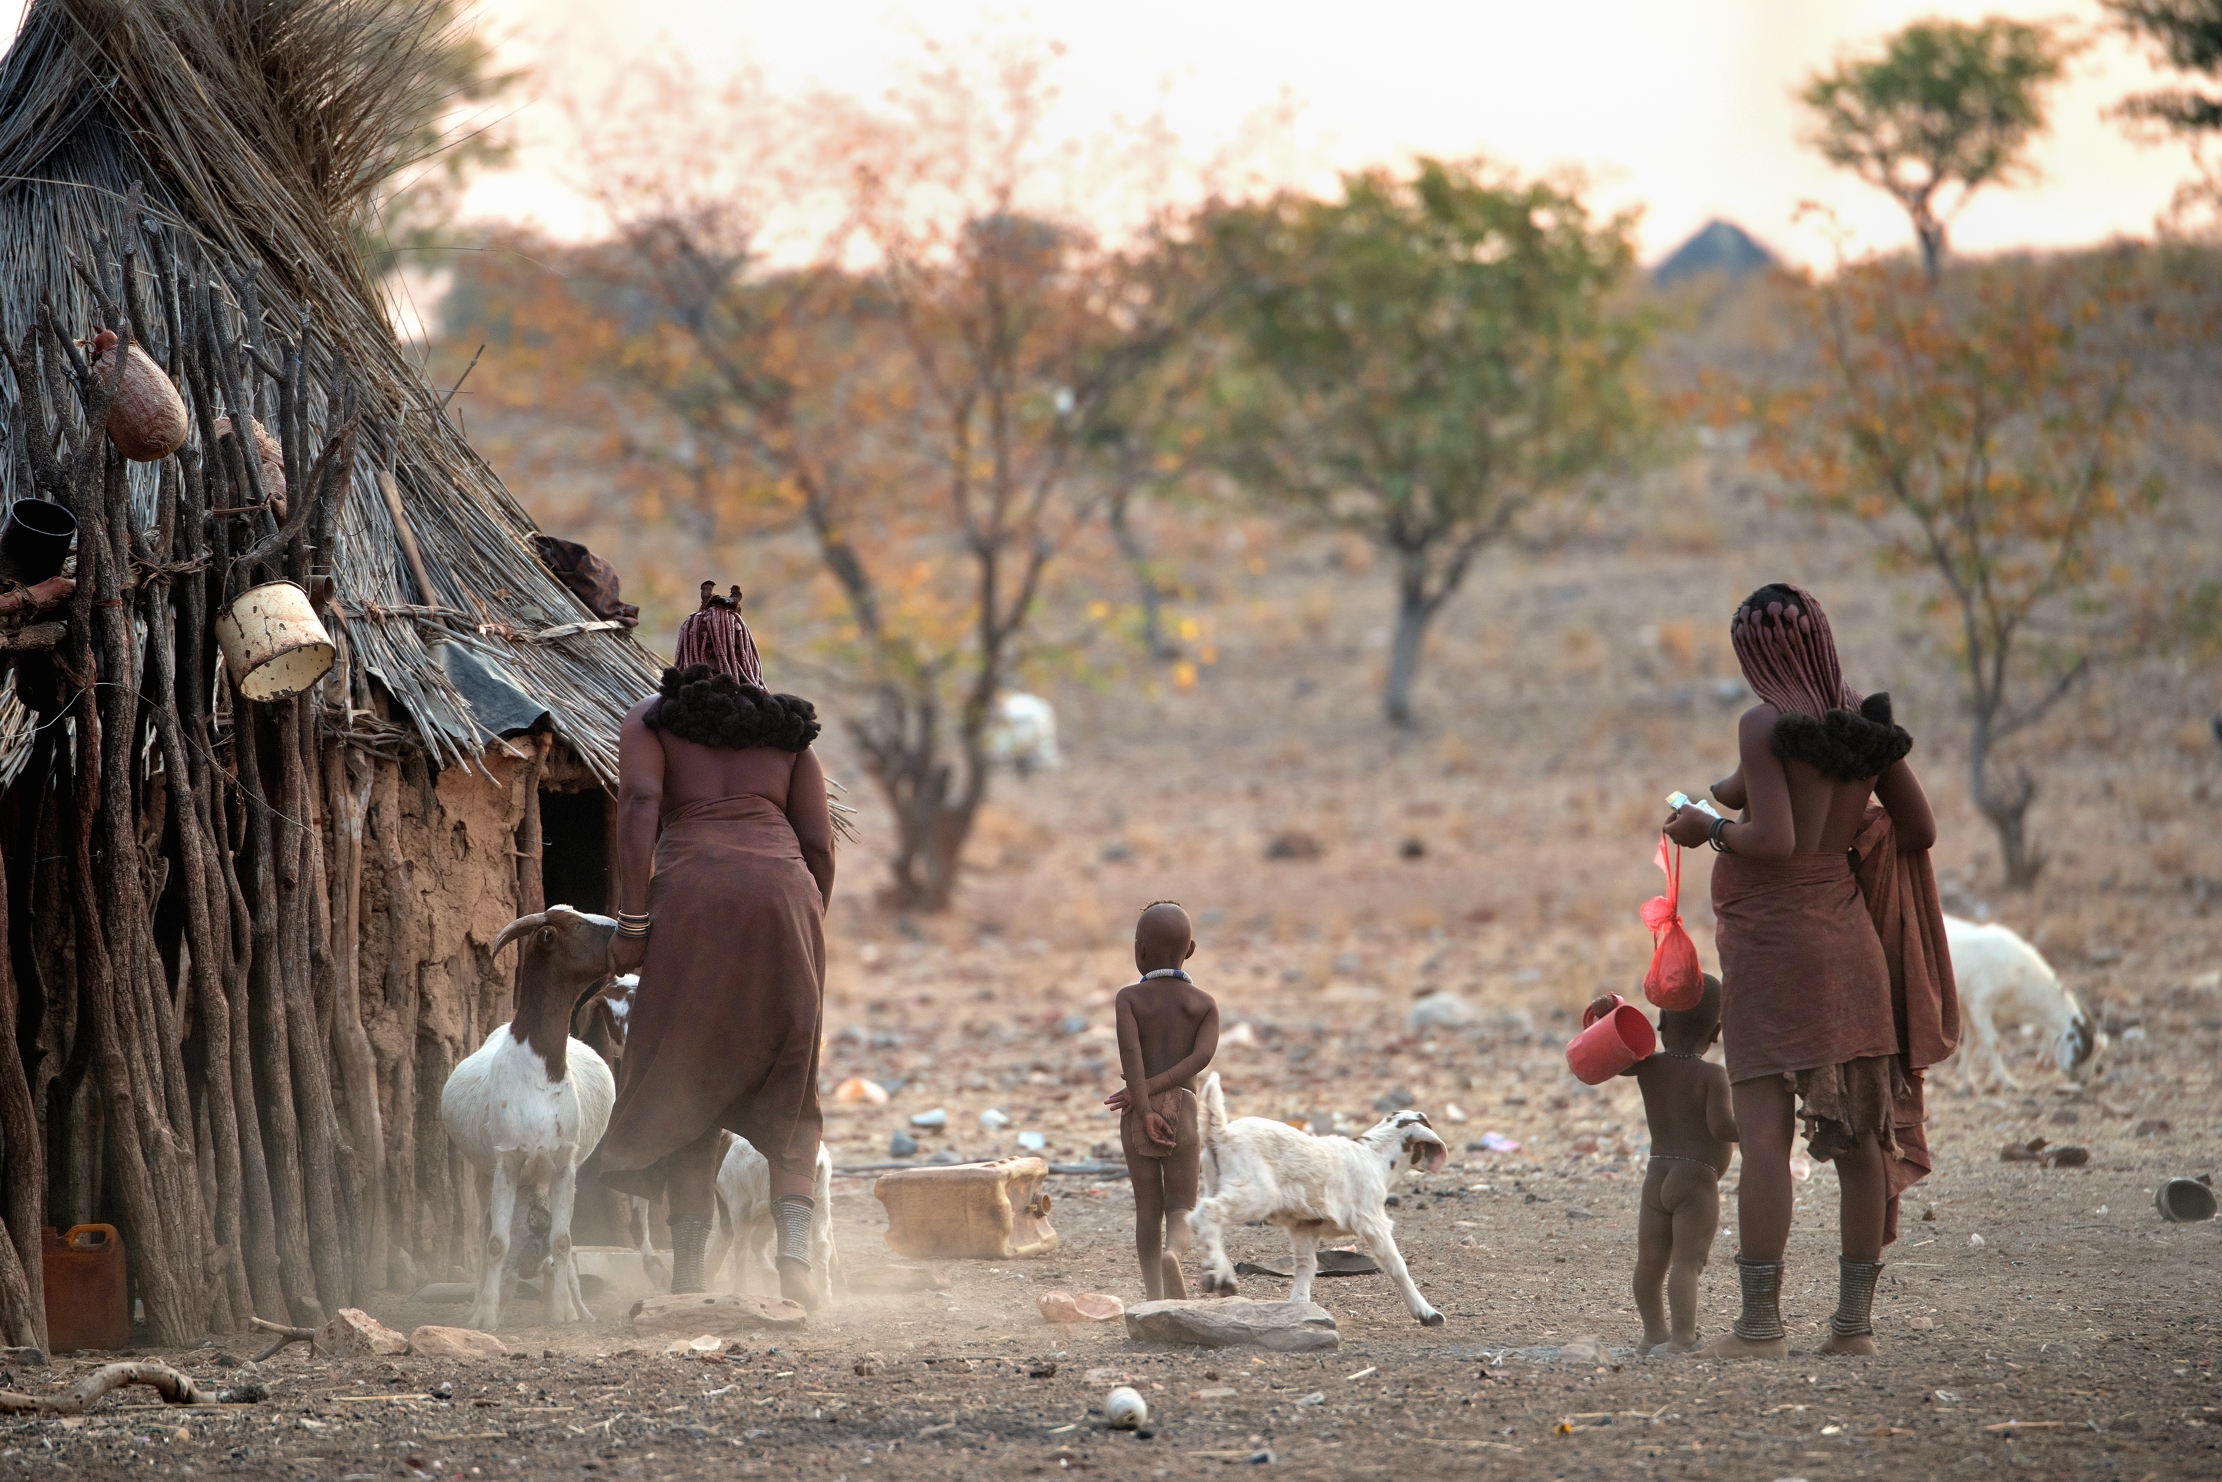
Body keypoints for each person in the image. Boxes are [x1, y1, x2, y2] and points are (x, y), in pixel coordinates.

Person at [1664, 583, 1936, 1359]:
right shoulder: (1864, 728)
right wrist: (1842, 832)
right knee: (1861, 1143)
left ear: (1757, 656)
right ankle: (1852, 1330)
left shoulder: (1764, 723)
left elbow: (1774, 840)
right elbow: (1920, 828)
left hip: (1773, 952)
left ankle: (1759, 1328)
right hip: (1848, 948)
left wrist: (1710, 827)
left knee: (1764, 1138)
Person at [598, 583, 837, 1307]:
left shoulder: (651, 721)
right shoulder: (789, 732)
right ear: (750, 654)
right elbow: (819, 844)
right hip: (785, 901)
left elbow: (640, 805)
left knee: (684, 1070)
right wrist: (802, 922)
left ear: (682, 653)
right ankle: (794, 1254)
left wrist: (633, 922)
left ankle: (689, 1268)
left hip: (693, 900)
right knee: (790, 1076)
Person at [1585, 977, 1739, 1355]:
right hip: (1696, 1178)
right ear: (1717, 1033)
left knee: (1650, 1264)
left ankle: (1653, 1334)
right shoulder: (1713, 1076)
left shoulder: (1649, 1068)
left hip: (1656, 1175)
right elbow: (1721, 1127)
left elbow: (1614, 1058)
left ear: (1662, 1026)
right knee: (1687, 1264)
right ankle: (1683, 1339)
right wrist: (1757, 1126)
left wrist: (1607, 1019)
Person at [1103, 902, 1220, 1301]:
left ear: (1139, 951)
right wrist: (1161, 1091)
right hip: (1184, 1109)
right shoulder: (1203, 1005)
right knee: (1182, 1205)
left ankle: (1154, 1297)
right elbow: (1201, 1058)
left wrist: (1145, 1099)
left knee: (1147, 1209)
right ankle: (1174, 1254)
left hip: (1136, 1110)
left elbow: (1130, 1055)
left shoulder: (1129, 999)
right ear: (1190, 950)